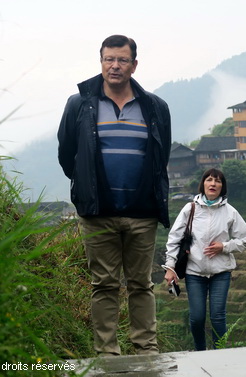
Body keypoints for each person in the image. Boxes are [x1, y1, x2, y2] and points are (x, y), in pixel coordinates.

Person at [57, 35, 171, 356]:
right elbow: (67, 154)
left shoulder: (154, 107)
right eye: (109, 59)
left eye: (122, 60)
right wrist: (85, 188)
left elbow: (159, 158)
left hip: (142, 212)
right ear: (101, 62)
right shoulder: (80, 104)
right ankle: (107, 354)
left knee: (141, 285)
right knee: (104, 285)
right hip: (98, 212)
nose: (115, 66)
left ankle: (146, 350)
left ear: (134, 65)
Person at [163, 168, 246, 351]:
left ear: (222, 187)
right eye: (210, 180)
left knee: (218, 316)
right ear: (203, 183)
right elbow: (174, 238)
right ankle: (200, 352)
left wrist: (224, 247)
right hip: (194, 272)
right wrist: (170, 267)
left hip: (221, 272)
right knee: (197, 317)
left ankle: (220, 354)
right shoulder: (190, 209)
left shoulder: (229, 212)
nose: (213, 184)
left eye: (218, 181)